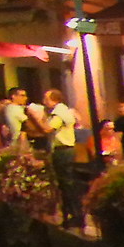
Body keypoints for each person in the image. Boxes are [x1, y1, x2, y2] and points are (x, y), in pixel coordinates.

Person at [42, 88, 85, 228]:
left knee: (67, 183)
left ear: (53, 100)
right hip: (66, 150)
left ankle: (75, 215)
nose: (44, 102)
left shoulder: (59, 113)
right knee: (67, 183)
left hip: (63, 151)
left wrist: (35, 119)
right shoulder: (64, 111)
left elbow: (47, 129)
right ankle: (73, 214)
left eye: (46, 99)